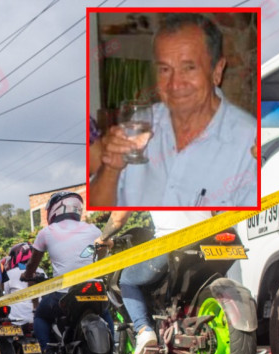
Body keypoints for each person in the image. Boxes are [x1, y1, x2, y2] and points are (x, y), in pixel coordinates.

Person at [89, 13, 257, 208]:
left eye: (189, 68)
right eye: (165, 70)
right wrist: (111, 168)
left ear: (217, 71)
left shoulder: (249, 143)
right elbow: (98, 218)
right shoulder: (140, 124)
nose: (175, 84)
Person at [96, 209, 211, 354]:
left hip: (173, 241)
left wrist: (102, 239)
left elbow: (119, 217)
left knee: (128, 279)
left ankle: (144, 330)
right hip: (212, 234)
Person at [21, 192, 113, 354]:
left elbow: (32, 265)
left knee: (40, 315)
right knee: (105, 312)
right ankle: (112, 351)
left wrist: (27, 275)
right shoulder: (93, 229)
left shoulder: (46, 232)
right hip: (94, 287)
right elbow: (102, 255)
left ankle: (48, 351)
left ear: (54, 209)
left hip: (64, 293)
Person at [2, 242, 39, 329]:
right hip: (38, 318)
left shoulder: (9, 274)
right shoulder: (41, 272)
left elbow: (5, 297)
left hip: (16, 321)